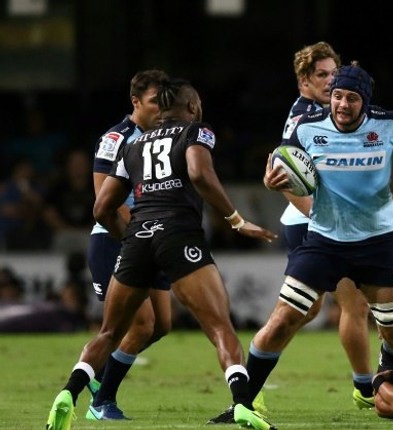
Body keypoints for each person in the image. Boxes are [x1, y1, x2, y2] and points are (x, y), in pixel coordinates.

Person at [209, 62, 393, 422]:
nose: (341, 104)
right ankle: (242, 404)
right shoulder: (307, 128)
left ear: (365, 102)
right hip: (323, 241)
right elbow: (278, 163)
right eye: (337, 96)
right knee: (281, 321)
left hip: (378, 244)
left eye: (351, 98)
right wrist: (272, 178)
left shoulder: (391, 124)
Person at [45, 78, 278, 430]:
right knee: (218, 327)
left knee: (110, 332)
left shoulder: (133, 146)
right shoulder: (196, 132)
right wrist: (236, 219)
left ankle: (68, 393)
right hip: (177, 234)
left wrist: (131, 242)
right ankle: (243, 404)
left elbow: (101, 209)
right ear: (193, 108)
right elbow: (200, 173)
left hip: (137, 237)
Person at [272, 41, 375, 409]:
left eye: (335, 73)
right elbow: (282, 170)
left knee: (310, 309)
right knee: (353, 305)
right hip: (312, 223)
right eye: (323, 75)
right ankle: (365, 389)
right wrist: (320, 214)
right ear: (304, 80)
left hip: (317, 222)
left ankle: (251, 371)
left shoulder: (324, 112)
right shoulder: (304, 119)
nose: (332, 81)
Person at [82, 69, 172, 420]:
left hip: (151, 239)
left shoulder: (163, 137)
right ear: (136, 102)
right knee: (140, 324)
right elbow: (104, 199)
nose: (161, 109)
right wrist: (135, 238)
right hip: (115, 240)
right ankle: (101, 400)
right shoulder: (116, 139)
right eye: (154, 102)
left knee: (162, 325)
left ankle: (95, 372)